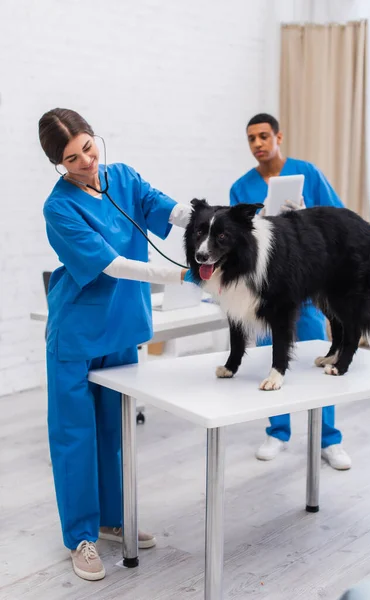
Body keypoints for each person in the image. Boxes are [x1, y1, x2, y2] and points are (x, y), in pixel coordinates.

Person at [39, 108, 193, 581]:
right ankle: (81, 537)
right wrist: (175, 275)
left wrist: (210, 220)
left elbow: (167, 209)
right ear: (58, 164)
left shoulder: (122, 178)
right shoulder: (59, 207)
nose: (86, 161)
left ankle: (111, 519)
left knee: (115, 431)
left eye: (88, 146)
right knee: (75, 436)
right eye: (72, 158)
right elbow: (111, 265)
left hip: (122, 328)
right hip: (77, 333)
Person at [230, 113, 352, 471]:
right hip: (267, 290)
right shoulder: (241, 187)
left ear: (278, 137)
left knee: (319, 360)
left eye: (264, 136)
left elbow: (336, 216)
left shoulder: (307, 174)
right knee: (274, 360)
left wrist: (304, 215)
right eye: (251, 138)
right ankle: (278, 431)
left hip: (307, 283)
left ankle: (329, 438)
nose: (258, 144)